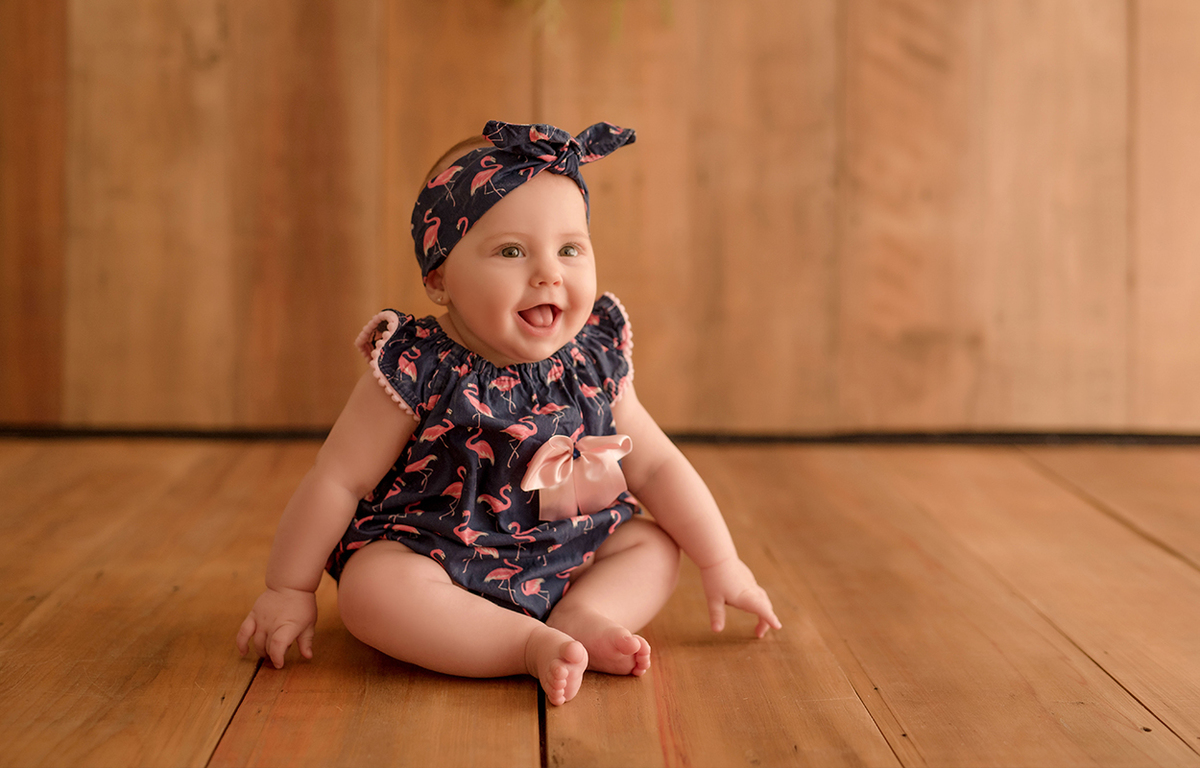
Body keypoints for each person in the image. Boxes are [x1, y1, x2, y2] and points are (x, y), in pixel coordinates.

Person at [236, 120, 781, 706]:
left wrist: (722, 562)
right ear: (439, 277)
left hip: (571, 548)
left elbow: (656, 468)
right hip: (441, 555)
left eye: (570, 249)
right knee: (370, 590)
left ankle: (583, 614)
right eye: (512, 251)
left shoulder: (594, 358)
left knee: (653, 546)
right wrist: (288, 588)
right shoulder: (419, 364)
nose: (548, 272)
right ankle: (522, 644)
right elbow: (339, 479)